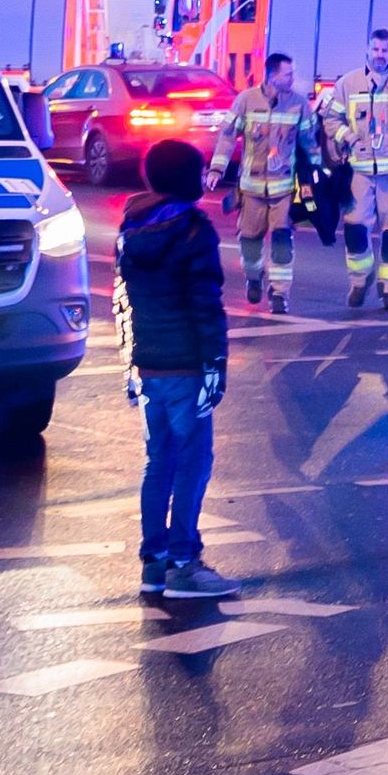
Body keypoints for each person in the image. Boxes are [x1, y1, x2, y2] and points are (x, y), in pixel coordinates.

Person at [115, 138, 240, 600]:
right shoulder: (193, 229)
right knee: (193, 462)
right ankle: (185, 562)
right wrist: (215, 365)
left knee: (158, 461)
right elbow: (205, 305)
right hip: (188, 364)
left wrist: (131, 360)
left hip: (151, 364)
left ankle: (154, 563)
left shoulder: (130, 226)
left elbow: (124, 302)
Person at [323, 37, 388, 313]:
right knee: (355, 226)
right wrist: (351, 138)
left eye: (385, 50)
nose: (380, 55)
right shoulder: (348, 83)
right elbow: (331, 120)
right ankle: (361, 279)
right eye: (375, 49)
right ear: (367, 50)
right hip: (359, 170)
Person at [218, 54, 305, 307]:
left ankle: (279, 294)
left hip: (284, 189)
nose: (292, 79)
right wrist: (216, 169)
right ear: (272, 76)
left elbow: (309, 142)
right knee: (250, 242)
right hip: (252, 190)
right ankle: (254, 278)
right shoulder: (246, 100)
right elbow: (227, 137)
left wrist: (319, 174)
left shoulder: (298, 104)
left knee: (281, 241)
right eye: (288, 74)